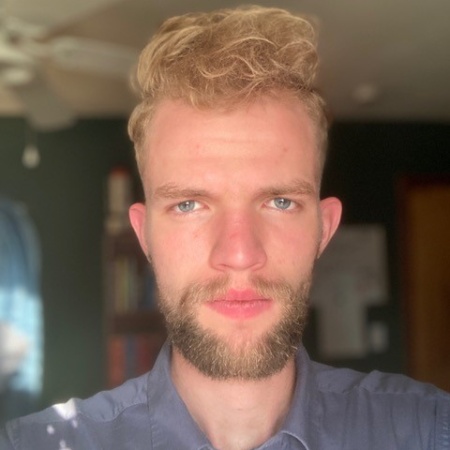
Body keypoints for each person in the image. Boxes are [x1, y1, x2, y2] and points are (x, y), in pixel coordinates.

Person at [1, 5, 449, 450]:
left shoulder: (429, 430)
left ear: (324, 229)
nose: (238, 254)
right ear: (145, 235)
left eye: (279, 202)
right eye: (189, 204)